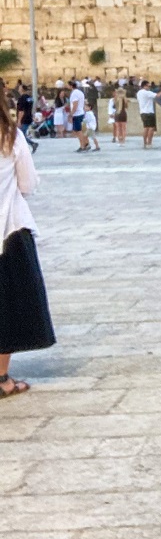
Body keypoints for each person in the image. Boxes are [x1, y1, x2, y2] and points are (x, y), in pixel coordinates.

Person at [0, 82, 55, 397]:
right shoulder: (11, 137)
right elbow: (28, 183)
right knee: (7, 304)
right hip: (9, 229)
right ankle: (1, 378)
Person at [136, 79, 158, 148]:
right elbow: (157, 95)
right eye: (148, 86)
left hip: (142, 112)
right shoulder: (146, 92)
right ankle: (149, 143)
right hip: (149, 112)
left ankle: (145, 142)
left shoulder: (139, 93)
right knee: (151, 128)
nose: (149, 87)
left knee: (146, 128)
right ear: (145, 86)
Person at [69, 82, 88, 152]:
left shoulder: (74, 94)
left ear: (71, 86)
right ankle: (85, 144)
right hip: (81, 113)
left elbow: (75, 105)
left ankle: (82, 146)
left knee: (78, 131)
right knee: (80, 131)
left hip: (77, 114)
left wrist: (71, 114)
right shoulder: (80, 93)